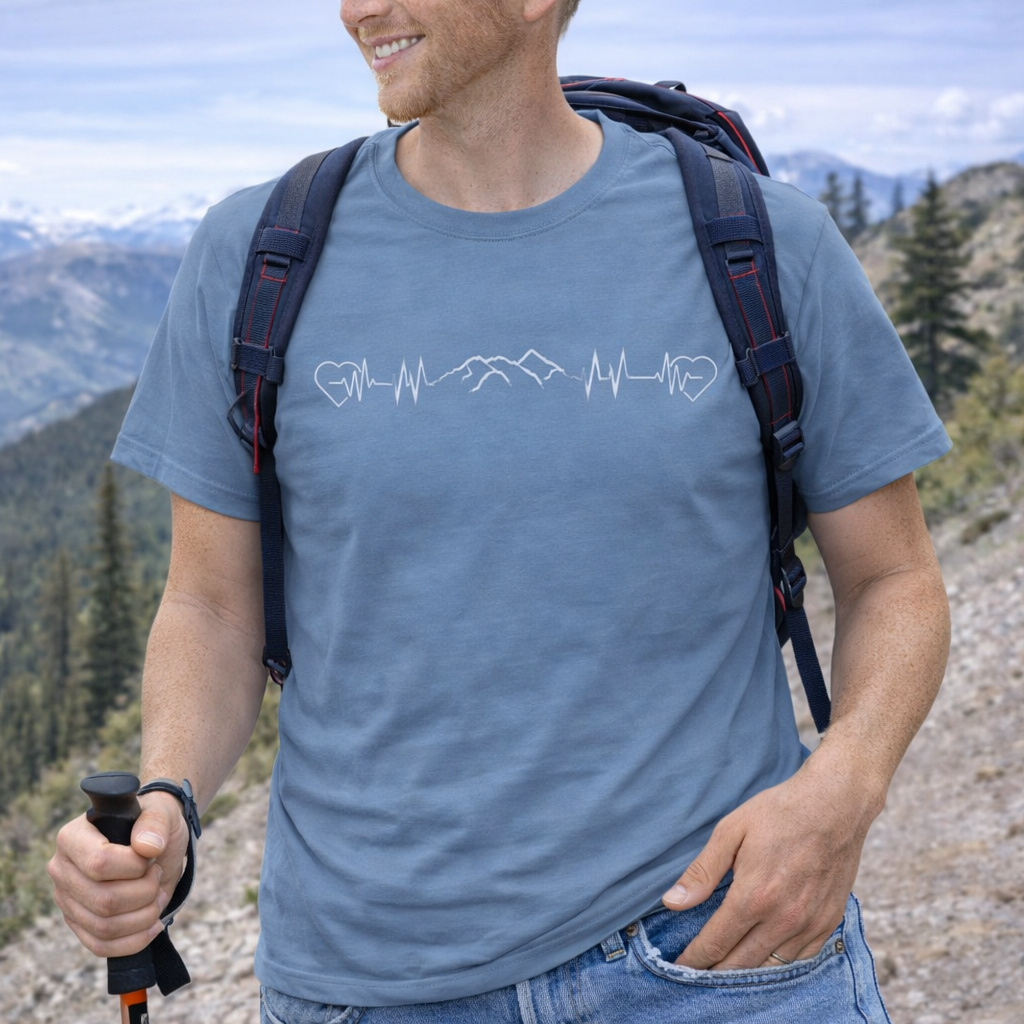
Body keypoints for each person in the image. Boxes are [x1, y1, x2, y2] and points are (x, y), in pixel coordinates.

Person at [48, 1, 952, 1021]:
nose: (356, 8)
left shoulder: (759, 242)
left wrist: (846, 785)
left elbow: (894, 578)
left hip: (716, 953)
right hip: (368, 985)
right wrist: (166, 801)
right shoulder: (254, 256)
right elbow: (212, 609)